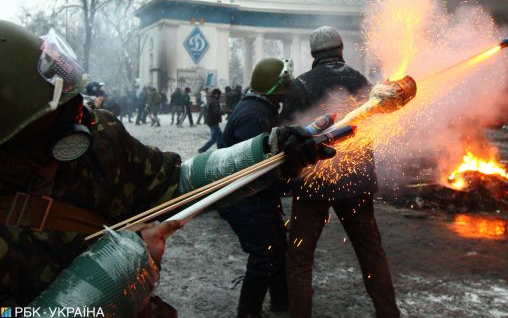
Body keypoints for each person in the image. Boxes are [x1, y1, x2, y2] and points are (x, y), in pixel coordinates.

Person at [0, 20, 336, 313]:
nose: (83, 118)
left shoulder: (101, 138)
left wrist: (267, 153)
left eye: (75, 102)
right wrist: (104, 284)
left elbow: (177, 180)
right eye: (62, 114)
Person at [282, 26, 400, 318]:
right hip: (356, 178)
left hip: (313, 178)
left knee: (300, 257)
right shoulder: (362, 82)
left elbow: (286, 134)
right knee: (370, 251)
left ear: (313, 53)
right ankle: (388, 313)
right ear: (340, 49)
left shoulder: (301, 85)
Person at [219, 58, 295, 317]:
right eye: (285, 83)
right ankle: (248, 312)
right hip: (244, 198)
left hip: (257, 197)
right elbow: (254, 166)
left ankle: (281, 301)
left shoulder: (261, 107)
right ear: (274, 87)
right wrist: (288, 177)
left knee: (277, 247)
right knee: (264, 254)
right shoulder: (254, 115)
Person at [198, 88, 224, 153]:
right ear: (216, 94)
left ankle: (203, 149)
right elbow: (215, 112)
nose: (220, 96)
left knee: (217, 137)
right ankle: (219, 149)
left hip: (210, 120)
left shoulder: (210, 99)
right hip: (213, 121)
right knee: (217, 137)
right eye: (219, 95)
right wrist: (223, 112)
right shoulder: (214, 101)